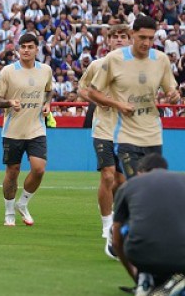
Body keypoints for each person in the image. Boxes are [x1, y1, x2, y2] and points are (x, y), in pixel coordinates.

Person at [88, 16, 180, 179]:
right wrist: (118, 104)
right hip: (125, 134)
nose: (146, 43)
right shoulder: (114, 59)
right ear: (132, 34)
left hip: (152, 133)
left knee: (152, 184)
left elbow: (170, 90)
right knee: (136, 183)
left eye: (151, 38)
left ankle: (122, 205)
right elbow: (93, 92)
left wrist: (173, 95)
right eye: (142, 37)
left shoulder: (161, 60)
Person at [77, 24, 131, 253]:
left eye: (123, 36)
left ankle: (120, 221)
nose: (119, 40)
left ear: (130, 40)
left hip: (128, 131)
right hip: (103, 130)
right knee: (108, 176)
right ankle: (107, 225)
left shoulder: (136, 68)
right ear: (108, 41)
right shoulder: (97, 65)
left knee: (122, 182)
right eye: (115, 36)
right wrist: (97, 100)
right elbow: (82, 88)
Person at [0, 33, 53, 228]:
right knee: (12, 172)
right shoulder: (8, 71)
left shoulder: (46, 70)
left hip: (36, 128)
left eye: (30, 47)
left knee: (39, 168)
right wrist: (9, 102)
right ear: (18, 49)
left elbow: (48, 90)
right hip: (13, 131)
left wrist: (48, 104)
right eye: (23, 47)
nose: (26, 50)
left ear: (36, 49)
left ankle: (22, 203)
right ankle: (9, 211)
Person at [113, 154, 185, 296]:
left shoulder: (129, 185)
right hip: (181, 256)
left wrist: (133, 274)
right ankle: (176, 279)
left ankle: (143, 280)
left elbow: (116, 238)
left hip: (141, 256)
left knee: (125, 226)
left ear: (140, 172)